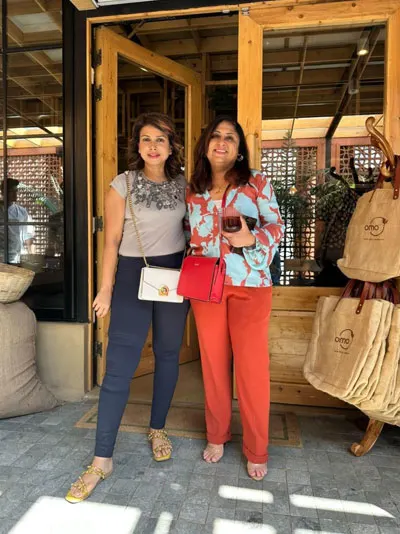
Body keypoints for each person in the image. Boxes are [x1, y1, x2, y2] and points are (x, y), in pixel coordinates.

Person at [66, 113, 189, 503]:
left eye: (160, 139)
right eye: (146, 139)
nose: (153, 146)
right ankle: (101, 459)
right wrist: (105, 289)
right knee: (119, 365)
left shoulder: (185, 184)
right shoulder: (123, 183)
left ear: (171, 146)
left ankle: (157, 428)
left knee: (167, 354)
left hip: (175, 274)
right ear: (137, 145)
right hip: (134, 274)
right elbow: (111, 241)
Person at [185, 116, 284, 481]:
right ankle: (217, 434)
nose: (222, 142)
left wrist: (251, 239)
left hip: (250, 284)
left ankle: (257, 448)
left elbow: (277, 224)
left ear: (239, 149)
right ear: (205, 145)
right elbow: (186, 233)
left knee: (252, 368)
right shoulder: (193, 189)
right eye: (216, 136)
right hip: (206, 286)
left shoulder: (256, 182)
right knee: (213, 364)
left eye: (230, 137)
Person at [0, 178, 35, 263]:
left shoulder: (22, 212)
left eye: (16, 191)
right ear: (3, 192)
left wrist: (32, 258)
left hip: (17, 257)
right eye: (11, 191)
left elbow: (28, 237)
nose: (15, 194)